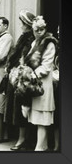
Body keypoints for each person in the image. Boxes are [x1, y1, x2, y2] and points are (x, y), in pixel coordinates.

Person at [2, 10, 36, 151]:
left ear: (27, 24)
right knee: (16, 107)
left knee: (23, 107)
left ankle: (23, 139)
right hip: (16, 76)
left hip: (24, 77)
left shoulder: (30, 39)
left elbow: (26, 58)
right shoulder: (23, 37)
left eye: (22, 23)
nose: (20, 25)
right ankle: (20, 138)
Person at [23, 16, 57, 151]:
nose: (38, 31)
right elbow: (28, 60)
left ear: (45, 29)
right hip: (33, 84)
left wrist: (32, 74)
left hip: (42, 85)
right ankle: (41, 146)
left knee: (42, 118)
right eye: (36, 29)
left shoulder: (50, 43)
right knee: (36, 118)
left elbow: (47, 66)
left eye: (41, 29)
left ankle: (40, 148)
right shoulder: (34, 43)